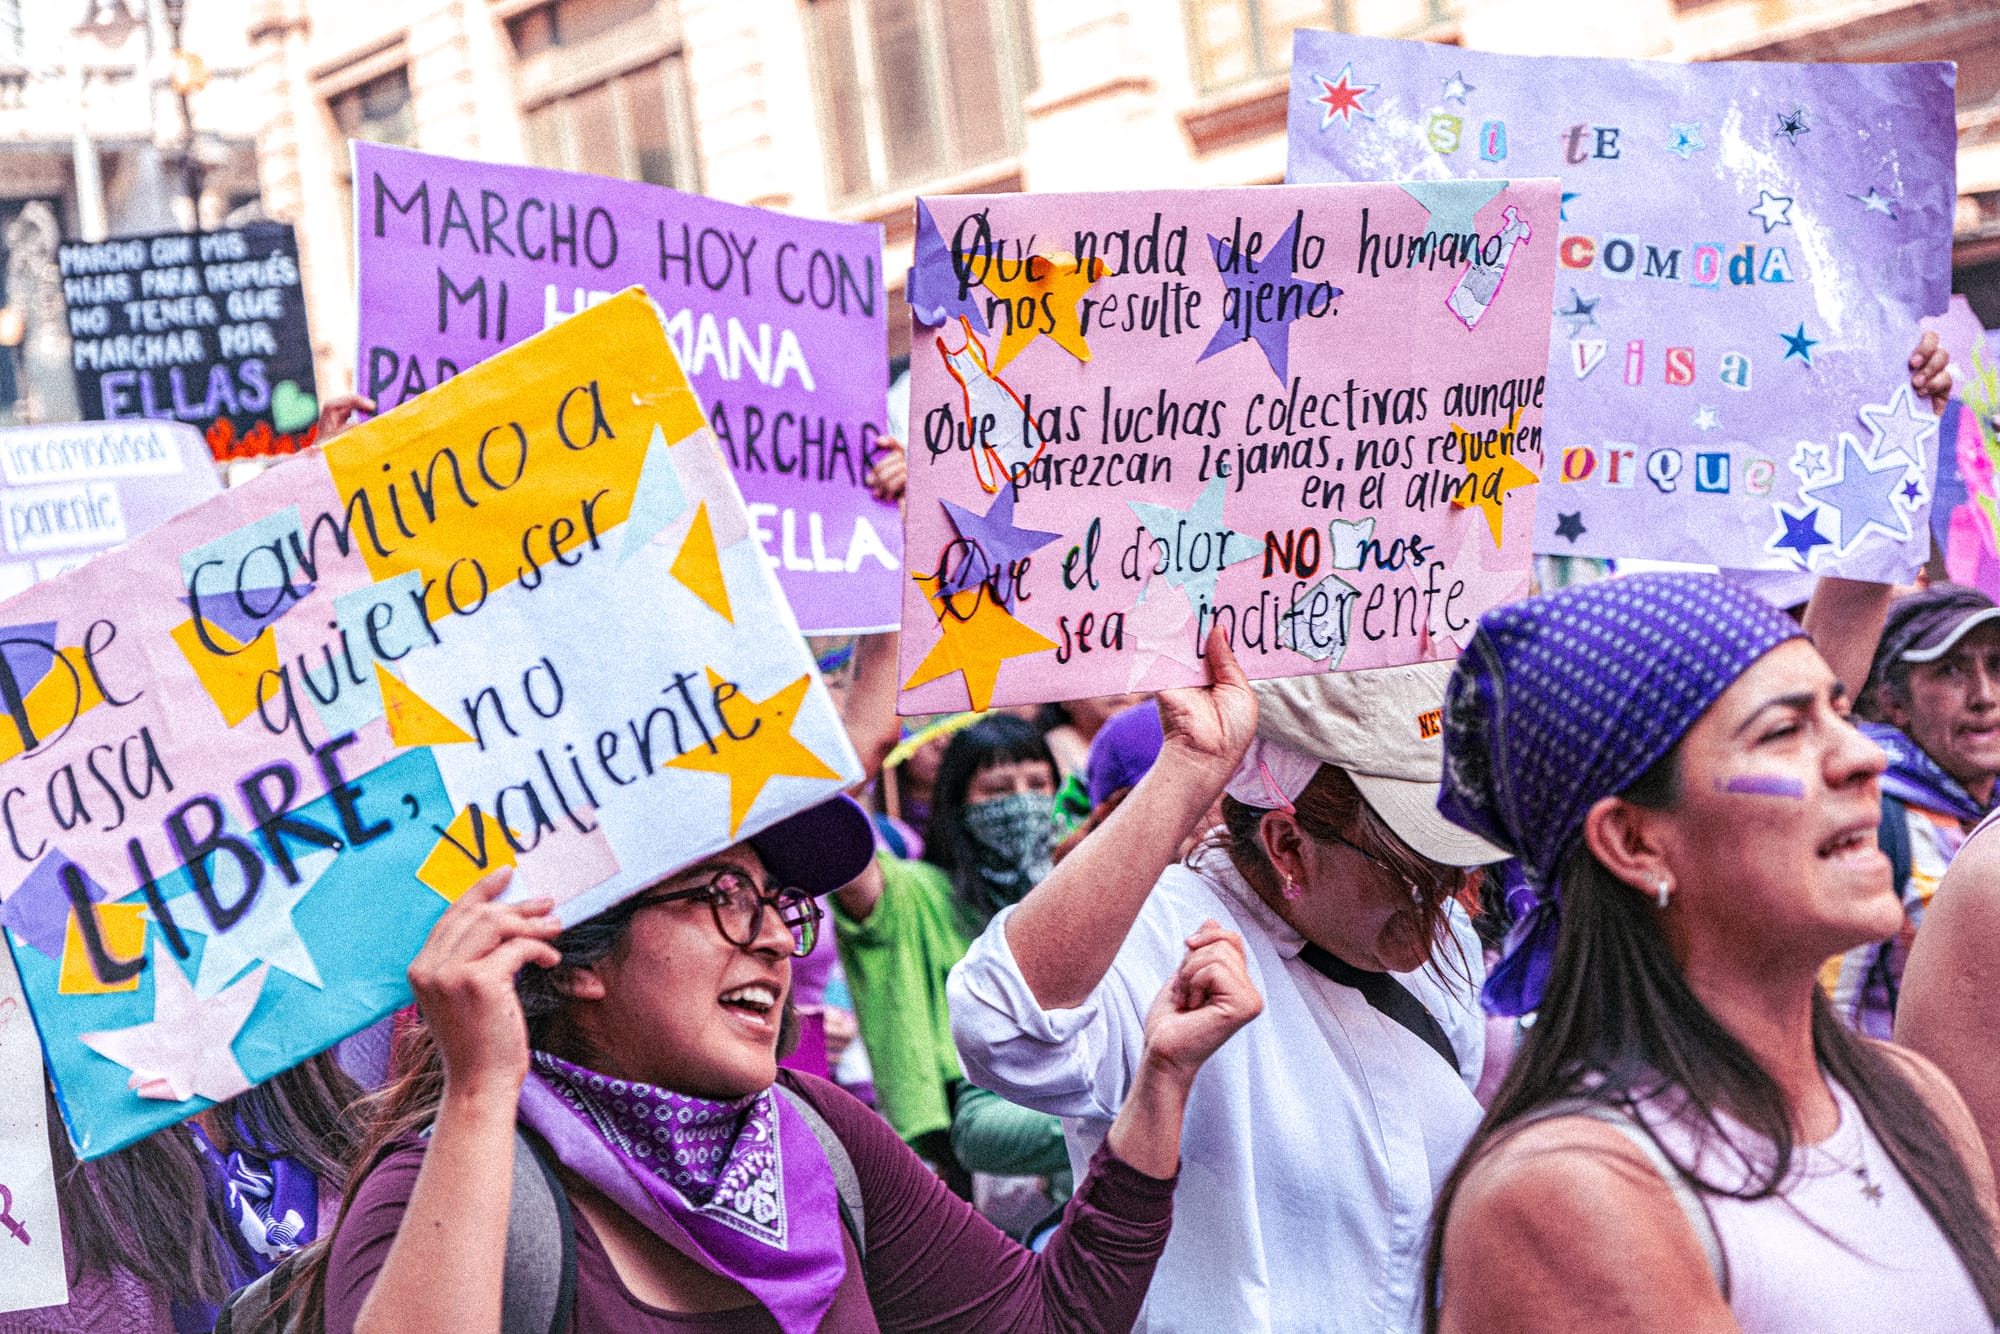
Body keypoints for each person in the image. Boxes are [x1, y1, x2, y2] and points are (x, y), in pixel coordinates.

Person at [304, 793, 1262, 1333]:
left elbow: (1046, 1325)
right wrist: (479, 1091)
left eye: (779, 904)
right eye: (724, 896)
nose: (774, 939)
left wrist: (1161, 1082)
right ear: (577, 952)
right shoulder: (446, 1181)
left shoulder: (818, 1136)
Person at [1425, 573, 2000, 1331]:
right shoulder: (1573, 1192)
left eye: (1837, 710)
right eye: (1782, 731)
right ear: (1634, 842)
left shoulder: (1911, 1097)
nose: (1866, 758)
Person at [950, 639, 1502, 1332]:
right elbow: (1000, 1025)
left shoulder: (1441, 936)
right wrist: (1190, 765)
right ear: (1288, 844)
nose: (1455, 894)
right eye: (1415, 867)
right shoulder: (1165, 934)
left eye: (1464, 858)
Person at [831, 716, 1066, 1189]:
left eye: (1038, 783)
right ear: (957, 804)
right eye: (997, 791)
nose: (1022, 801)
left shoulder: (1074, 890)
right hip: (968, 1152)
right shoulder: (913, 894)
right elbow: (836, 829)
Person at [1826, 585, 2000, 1034]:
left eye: (1999, 666)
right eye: (1950, 672)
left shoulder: (1989, 816)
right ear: (1894, 703)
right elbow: (1828, 1017)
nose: (1984, 696)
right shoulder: (1866, 820)